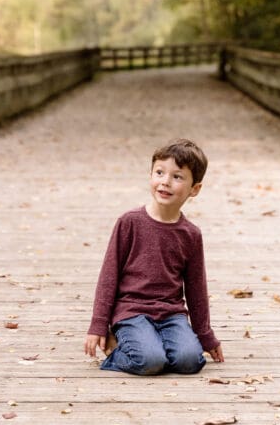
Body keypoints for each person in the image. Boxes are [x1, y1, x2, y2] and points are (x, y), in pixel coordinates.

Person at [84, 138, 224, 374]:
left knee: (189, 361)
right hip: (131, 312)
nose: (165, 182)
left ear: (195, 189)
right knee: (150, 360)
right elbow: (109, 276)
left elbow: (196, 289)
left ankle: (154, 346)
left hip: (171, 314)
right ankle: (117, 348)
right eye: (159, 172)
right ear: (150, 175)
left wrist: (206, 336)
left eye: (177, 177)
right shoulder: (130, 222)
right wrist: (98, 324)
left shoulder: (191, 234)